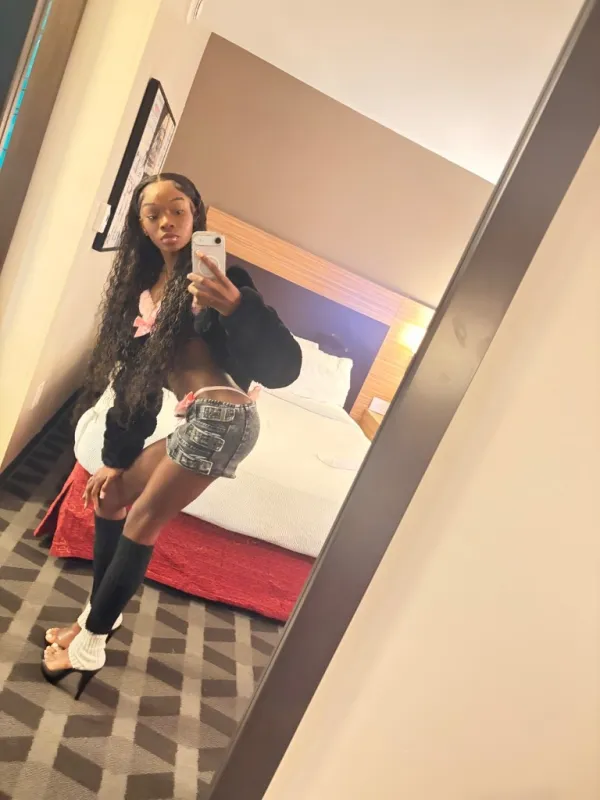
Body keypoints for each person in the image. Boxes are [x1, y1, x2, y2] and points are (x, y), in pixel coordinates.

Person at [41, 172, 301, 697]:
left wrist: (237, 309)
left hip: (225, 417)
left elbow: (283, 367)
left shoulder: (221, 280)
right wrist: (116, 457)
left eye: (178, 209)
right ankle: (100, 616)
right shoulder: (144, 290)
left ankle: (90, 644)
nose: (167, 222)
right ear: (141, 225)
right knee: (111, 496)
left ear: (196, 213)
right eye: (153, 213)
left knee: (143, 518)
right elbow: (135, 388)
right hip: (198, 418)